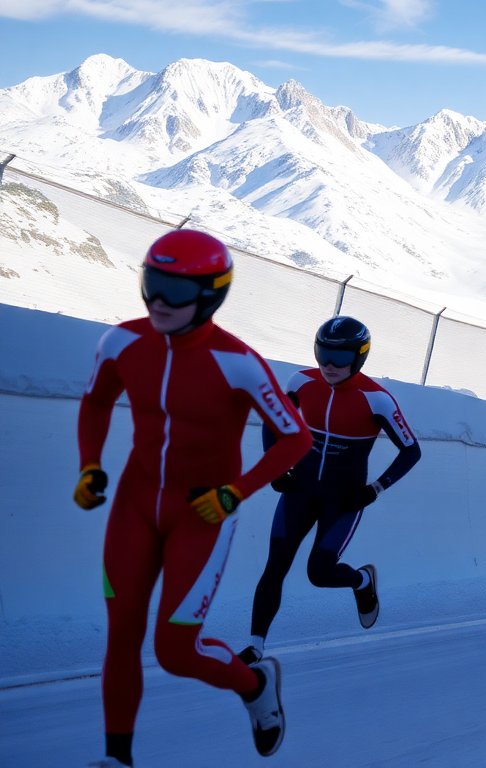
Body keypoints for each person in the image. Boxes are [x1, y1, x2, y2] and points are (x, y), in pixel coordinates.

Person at [75, 230, 313, 766]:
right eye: (152, 284)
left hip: (202, 513)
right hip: (135, 504)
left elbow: (297, 437)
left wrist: (236, 492)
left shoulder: (239, 363)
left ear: (211, 295)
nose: (158, 302)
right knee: (122, 635)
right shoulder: (120, 342)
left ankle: (254, 684)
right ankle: (118, 758)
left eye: (176, 293)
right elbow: (94, 403)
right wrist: (90, 465)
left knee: (175, 651)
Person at [241, 317, 422, 664]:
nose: (328, 365)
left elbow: (411, 450)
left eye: (340, 358)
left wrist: (375, 490)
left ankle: (361, 581)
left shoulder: (377, 400)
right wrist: (278, 466)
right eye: (323, 353)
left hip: (344, 500)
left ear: (360, 357)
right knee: (275, 565)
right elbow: (271, 419)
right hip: (299, 491)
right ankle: (255, 645)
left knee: (319, 573)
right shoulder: (302, 381)